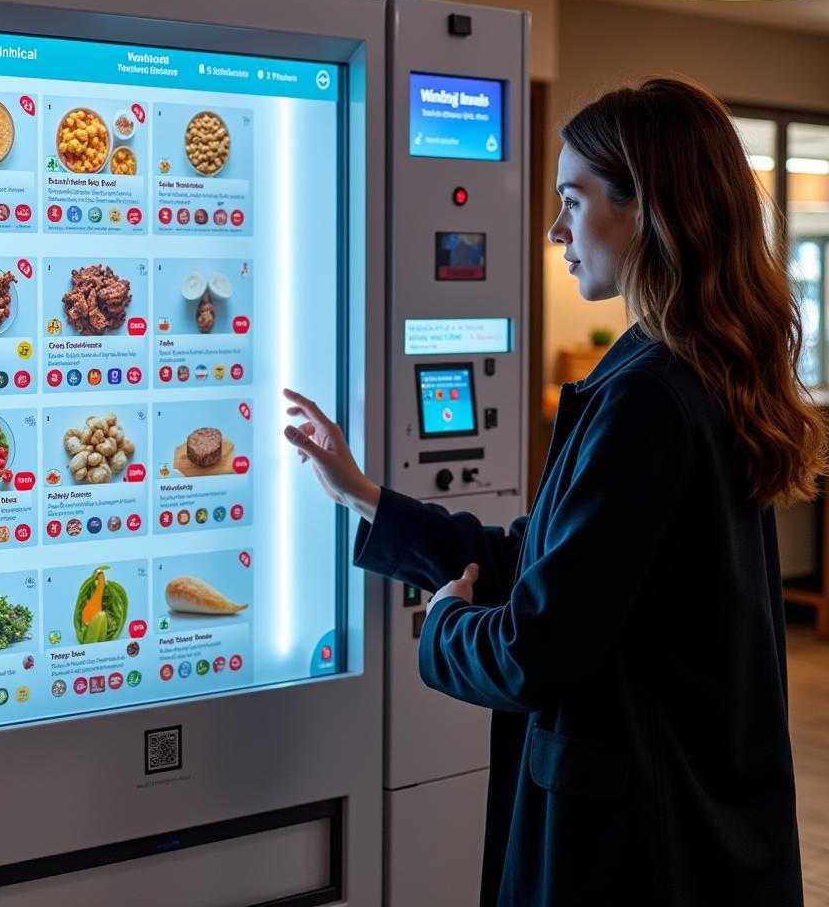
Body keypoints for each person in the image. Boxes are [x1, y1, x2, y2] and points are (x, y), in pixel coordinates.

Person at [283, 78, 826, 906]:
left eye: (573, 200)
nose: (555, 230)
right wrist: (364, 495)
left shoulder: (648, 398)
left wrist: (445, 627)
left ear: (647, 208)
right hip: (700, 818)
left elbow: (538, 649)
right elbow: (546, 559)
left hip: (634, 844)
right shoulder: (694, 368)